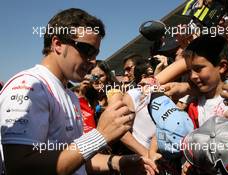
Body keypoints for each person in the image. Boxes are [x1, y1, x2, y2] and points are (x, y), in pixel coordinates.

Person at [0, 8, 157, 175]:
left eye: (96, 53)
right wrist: (100, 136)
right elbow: (19, 166)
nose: (93, 60)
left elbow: (77, 159)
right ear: (58, 44)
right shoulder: (30, 85)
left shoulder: (69, 95)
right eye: (87, 50)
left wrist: (118, 162)